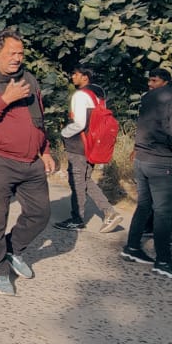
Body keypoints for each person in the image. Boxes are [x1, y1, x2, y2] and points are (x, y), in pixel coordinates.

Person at [0, 29, 55, 296]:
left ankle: (12, 250)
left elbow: (39, 118)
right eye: (11, 53)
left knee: (41, 213)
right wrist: (5, 99)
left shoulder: (29, 79)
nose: (17, 58)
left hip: (31, 161)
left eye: (20, 53)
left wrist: (46, 150)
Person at [122, 58, 172, 281]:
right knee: (164, 212)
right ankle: (164, 261)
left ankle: (132, 246)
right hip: (161, 160)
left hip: (142, 157)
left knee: (144, 205)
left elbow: (143, 124)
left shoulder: (151, 95)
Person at [53, 66, 122, 233]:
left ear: (85, 77)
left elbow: (79, 123)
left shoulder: (80, 95)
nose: (72, 76)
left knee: (77, 181)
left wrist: (63, 133)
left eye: (75, 74)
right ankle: (109, 212)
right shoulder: (99, 95)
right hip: (94, 143)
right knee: (85, 179)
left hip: (79, 143)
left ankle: (78, 219)